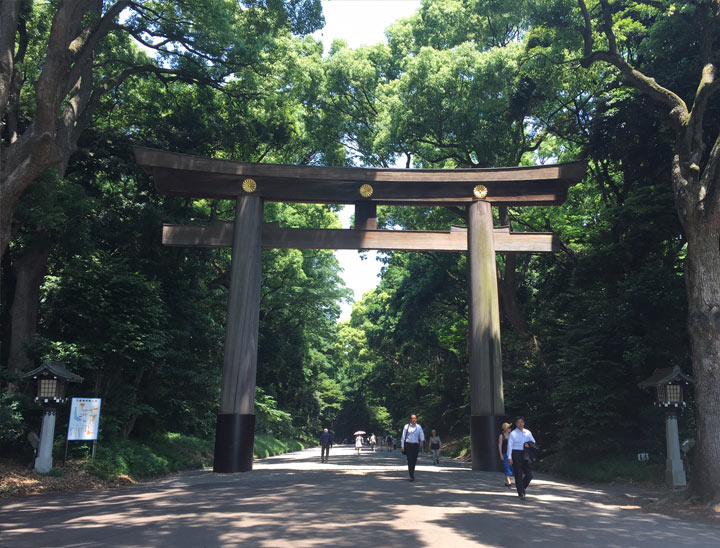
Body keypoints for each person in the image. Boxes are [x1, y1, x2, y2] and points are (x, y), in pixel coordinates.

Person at [507, 416, 536, 500]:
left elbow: (533, 441)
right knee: (518, 473)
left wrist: (528, 444)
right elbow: (510, 446)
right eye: (518, 422)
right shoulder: (513, 433)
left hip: (526, 453)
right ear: (516, 424)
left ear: (524, 423)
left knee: (529, 474)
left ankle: (522, 487)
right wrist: (509, 457)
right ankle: (521, 493)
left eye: (522, 422)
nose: (520, 424)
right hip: (516, 453)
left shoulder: (528, 432)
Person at [400, 414, 425, 482]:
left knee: (414, 460)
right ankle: (411, 475)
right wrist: (402, 445)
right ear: (410, 419)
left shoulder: (419, 427)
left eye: (414, 418)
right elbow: (403, 437)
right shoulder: (406, 426)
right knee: (410, 460)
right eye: (412, 418)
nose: (413, 419)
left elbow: (422, 435)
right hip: (408, 445)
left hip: (415, 445)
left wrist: (421, 441)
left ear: (416, 419)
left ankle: (412, 472)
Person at [498, 422, 513, 488]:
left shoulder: (511, 435)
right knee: (506, 466)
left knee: (510, 467)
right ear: (506, 429)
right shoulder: (501, 436)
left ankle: (507, 481)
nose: (510, 428)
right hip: (504, 453)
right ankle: (509, 481)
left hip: (511, 453)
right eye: (509, 427)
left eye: (510, 427)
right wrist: (501, 454)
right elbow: (500, 445)